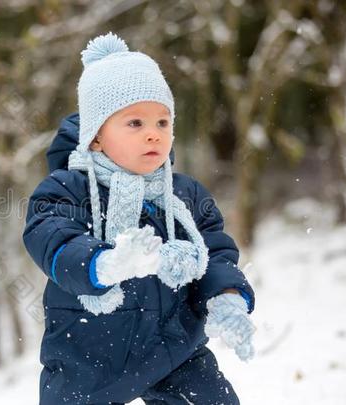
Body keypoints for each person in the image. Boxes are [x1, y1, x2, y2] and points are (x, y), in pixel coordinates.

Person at [23, 32, 257, 405]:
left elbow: (213, 251)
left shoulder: (185, 195)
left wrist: (226, 296)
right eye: (135, 123)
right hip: (87, 350)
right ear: (96, 137)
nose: (153, 135)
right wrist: (105, 262)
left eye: (163, 123)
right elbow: (52, 239)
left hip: (173, 345)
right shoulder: (66, 188)